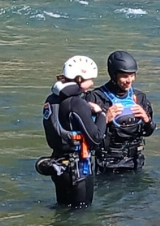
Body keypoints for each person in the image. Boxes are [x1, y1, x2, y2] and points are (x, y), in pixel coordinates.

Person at [38, 55, 108, 209]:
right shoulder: (76, 103)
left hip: (58, 165)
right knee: (81, 212)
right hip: (77, 169)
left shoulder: (52, 99)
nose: (93, 83)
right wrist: (103, 115)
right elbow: (96, 137)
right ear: (79, 79)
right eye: (90, 79)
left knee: (62, 210)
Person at [88, 50, 154, 173]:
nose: (129, 80)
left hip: (135, 162)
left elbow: (148, 132)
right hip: (107, 164)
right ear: (113, 75)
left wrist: (146, 119)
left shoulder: (140, 97)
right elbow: (90, 137)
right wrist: (105, 119)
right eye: (124, 76)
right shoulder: (96, 98)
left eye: (132, 75)